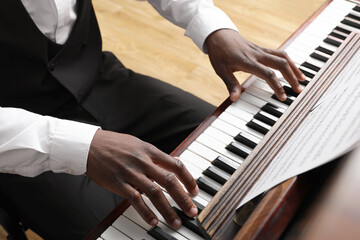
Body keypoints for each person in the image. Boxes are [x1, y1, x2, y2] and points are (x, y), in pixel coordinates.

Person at [0, 0, 305, 239]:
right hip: (19, 134)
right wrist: (76, 146)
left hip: (95, 77)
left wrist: (212, 27)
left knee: (254, 147)